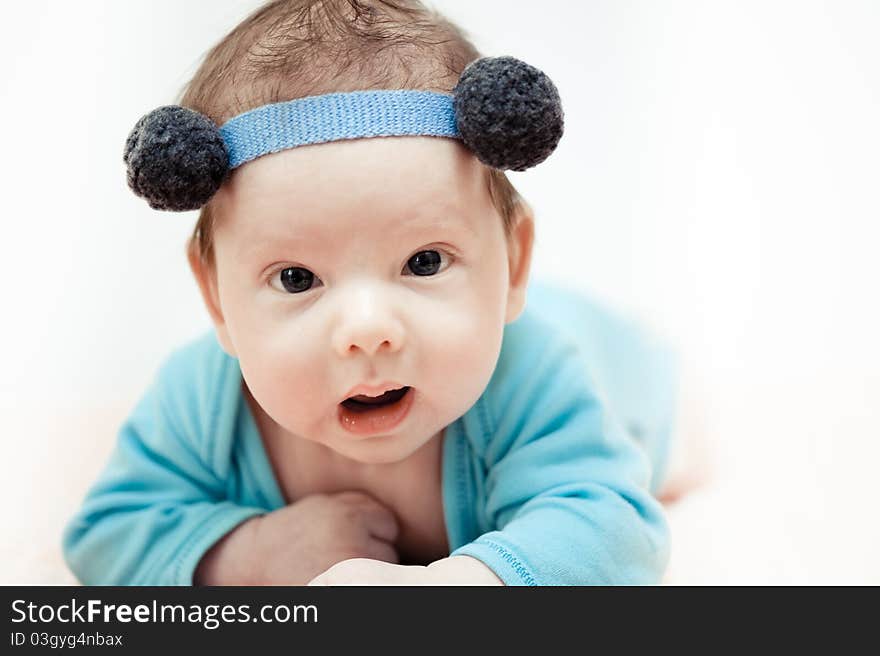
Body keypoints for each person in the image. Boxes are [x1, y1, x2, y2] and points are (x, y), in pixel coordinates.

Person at [62, 0, 675, 585]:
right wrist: (246, 553)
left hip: (621, 364)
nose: (366, 327)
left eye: (424, 262)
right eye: (296, 278)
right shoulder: (201, 401)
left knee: (679, 436)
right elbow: (105, 533)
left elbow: (615, 526)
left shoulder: (530, 375)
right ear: (217, 298)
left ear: (512, 264)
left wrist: (468, 581)